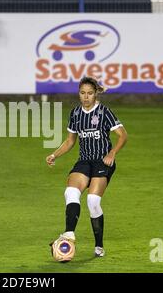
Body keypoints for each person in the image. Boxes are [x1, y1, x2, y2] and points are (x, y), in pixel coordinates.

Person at [46, 76, 128, 258]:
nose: (86, 97)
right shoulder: (75, 114)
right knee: (71, 193)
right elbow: (70, 141)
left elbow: (123, 135)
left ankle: (99, 246)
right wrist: (54, 155)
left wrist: (112, 153)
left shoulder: (105, 112)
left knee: (93, 201)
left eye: (90, 93)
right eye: (82, 93)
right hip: (84, 161)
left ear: (96, 93)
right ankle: (69, 233)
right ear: (79, 93)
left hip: (102, 162)